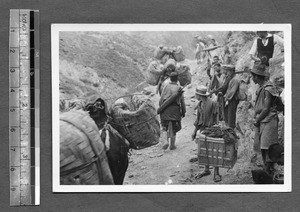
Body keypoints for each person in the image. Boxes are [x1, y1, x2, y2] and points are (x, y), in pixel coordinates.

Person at [251, 62, 280, 174]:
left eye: (253, 76)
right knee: (262, 147)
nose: (252, 79)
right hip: (262, 120)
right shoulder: (261, 88)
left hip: (269, 120)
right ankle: (266, 170)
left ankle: (269, 171)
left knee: (268, 147)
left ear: (257, 76)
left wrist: (257, 120)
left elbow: (266, 109)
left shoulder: (268, 89)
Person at [191, 85, 221, 182]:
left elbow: (217, 118)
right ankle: (206, 169)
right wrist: (195, 131)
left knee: (214, 151)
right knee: (203, 150)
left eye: (196, 94)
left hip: (212, 130)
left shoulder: (212, 103)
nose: (195, 95)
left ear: (200, 95)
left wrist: (216, 131)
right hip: (203, 130)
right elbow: (198, 119)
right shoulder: (200, 104)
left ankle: (216, 172)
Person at [159, 71, 186, 150]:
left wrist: (161, 108)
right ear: (177, 78)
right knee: (174, 127)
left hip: (166, 109)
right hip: (175, 110)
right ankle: (172, 145)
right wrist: (183, 111)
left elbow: (161, 99)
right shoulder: (179, 88)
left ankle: (165, 142)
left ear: (170, 78)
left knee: (164, 126)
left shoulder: (166, 86)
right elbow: (182, 101)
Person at [209, 65, 240, 129]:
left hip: (232, 100)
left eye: (228, 72)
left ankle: (231, 130)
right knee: (228, 116)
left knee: (231, 116)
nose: (227, 73)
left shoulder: (235, 80)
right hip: (230, 100)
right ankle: (228, 128)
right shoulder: (232, 79)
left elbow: (232, 92)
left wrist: (227, 99)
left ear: (231, 72)